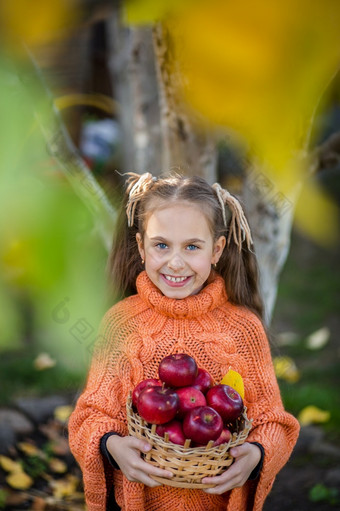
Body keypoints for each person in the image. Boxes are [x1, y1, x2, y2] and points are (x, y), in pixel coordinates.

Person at [68, 172, 300, 511]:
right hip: (137, 500)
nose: (175, 262)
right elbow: (90, 415)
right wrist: (111, 446)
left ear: (217, 250)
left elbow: (272, 420)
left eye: (192, 246)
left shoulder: (243, 329)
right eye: (161, 245)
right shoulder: (121, 323)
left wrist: (257, 453)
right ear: (141, 248)